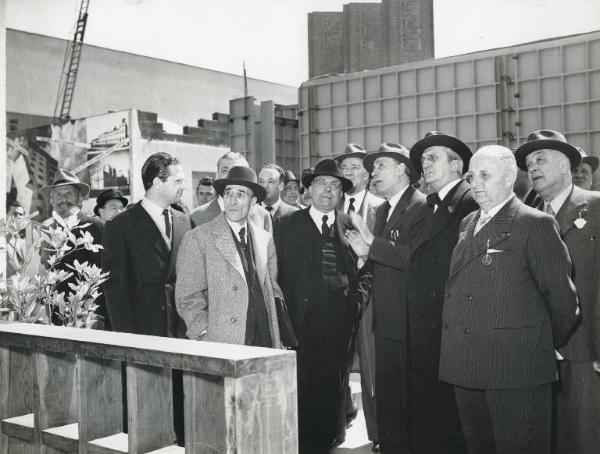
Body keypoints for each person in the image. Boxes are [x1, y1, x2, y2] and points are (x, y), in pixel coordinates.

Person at [439, 144, 579, 454]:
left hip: (516, 368)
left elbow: (563, 301)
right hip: (466, 365)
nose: (475, 183)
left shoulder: (534, 223)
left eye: (485, 175)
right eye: (472, 176)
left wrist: (534, 343)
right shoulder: (468, 223)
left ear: (509, 177)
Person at [516, 130, 600, 454]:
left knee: (586, 436)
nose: (532, 167)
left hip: (584, 350)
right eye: (528, 162)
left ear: (566, 164)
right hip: (537, 351)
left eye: (541, 159)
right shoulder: (527, 217)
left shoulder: (594, 207)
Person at [102, 152, 192, 445]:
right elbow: (114, 289)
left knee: (180, 411)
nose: (183, 186)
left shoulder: (183, 221)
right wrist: (127, 340)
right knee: (144, 414)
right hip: (142, 333)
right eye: (178, 180)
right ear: (156, 182)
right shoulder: (120, 226)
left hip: (180, 333)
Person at [278, 158, 367, 454]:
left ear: (341, 192)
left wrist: (357, 302)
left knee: (334, 383)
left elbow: (367, 267)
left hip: (339, 321)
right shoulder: (287, 224)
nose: (327, 191)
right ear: (309, 190)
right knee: (302, 386)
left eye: (334, 186)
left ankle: (330, 438)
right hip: (300, 322)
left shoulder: (350, 222)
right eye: (321, 184)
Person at [345, 143, 428, 453]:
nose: (373, 172)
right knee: (386, 392)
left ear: (403, 169)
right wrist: (366, 255)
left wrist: (371, 245)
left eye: (381, 165)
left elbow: (416, 259)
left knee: (405, 397)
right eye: (373, 167)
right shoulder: (382, 210)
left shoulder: (421, 207)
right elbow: (378, 256)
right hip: (383, 317)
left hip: (406, 319)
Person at [403, 131, 478, 453]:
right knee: (430, 412)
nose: (425, 164)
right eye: (423, 160)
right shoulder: (428, 206)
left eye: (432, 157)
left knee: (451, 419)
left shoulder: (469, 203)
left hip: (451, 328)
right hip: (426, 327)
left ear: (456, 165)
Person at [175, 166, 282, 348]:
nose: (232, 200)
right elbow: (188, 297)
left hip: (264, 341)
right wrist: (203, 335)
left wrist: (277, 336)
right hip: (223, 343)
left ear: (253, 201)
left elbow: (272, 289)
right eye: (228, 193)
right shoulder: (198, 238)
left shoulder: (265, 239)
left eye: (240, 194)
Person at [334, 142, 384, 452]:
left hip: (371, 296)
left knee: (371, 367)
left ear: (367, 173)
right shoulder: (330, 207)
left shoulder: (380, 207)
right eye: (344, 168)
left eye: (355, 167)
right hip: (339, 297)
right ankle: (336, 425)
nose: (349, 172)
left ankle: (378, 433)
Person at [40, 168, 105, 326]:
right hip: (55, 316)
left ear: (79, 198)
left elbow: (104, 272)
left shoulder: (95, 226)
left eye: (68, 193)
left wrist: (99, 314)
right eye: (58, 194)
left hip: (87, 315)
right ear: (51, 200)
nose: (63, 199)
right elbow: (44, 271)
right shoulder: (47, 230)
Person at [189, 151, 272, 232]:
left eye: (237, 171)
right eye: (225, 170)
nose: (230, 176)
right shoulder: (196, 217)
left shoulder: (262, 215)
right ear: (217, 175)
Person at [257, 163, 297, 248]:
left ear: (281, 186)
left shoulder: (294, 215)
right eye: (261, 181)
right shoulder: (249, 213)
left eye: (270, 181)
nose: (265, 186)